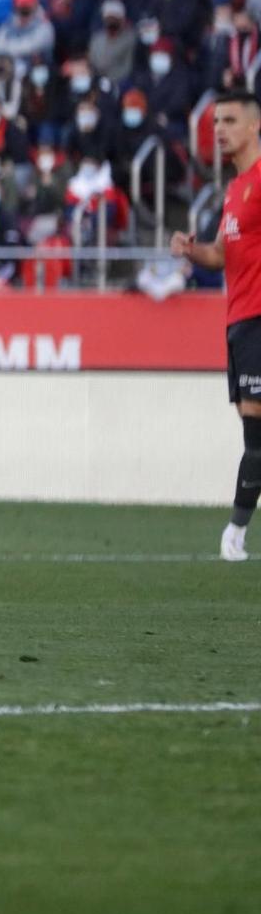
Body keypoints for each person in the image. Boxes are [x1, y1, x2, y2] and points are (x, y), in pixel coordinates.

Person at [169, 89, 261, 562]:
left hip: (258, 320)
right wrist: (192, 249)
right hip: (240, 323)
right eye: (216, 121)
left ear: (253, 126)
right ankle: (237, 532)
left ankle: (235, 533)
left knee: (257, 435)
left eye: (228, 120)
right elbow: (222, 256)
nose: (219, 129)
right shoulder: (234, 189)